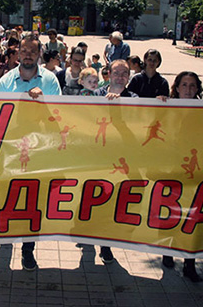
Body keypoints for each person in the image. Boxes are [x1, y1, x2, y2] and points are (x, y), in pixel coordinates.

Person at [0, 34, 61, 270]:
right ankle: (5, 235)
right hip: (11, 151)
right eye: (24, 51)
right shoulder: (5, 81)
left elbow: (59, 115)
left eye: (33, 51)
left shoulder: (51, 81)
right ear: (18, 52)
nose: (28, 55)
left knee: (34, 202)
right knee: (7, 196)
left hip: (39, 152)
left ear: (39, 54)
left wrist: (42, 101)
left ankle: (28, 249)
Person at [157, 71, 203, 282]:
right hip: (171, 170)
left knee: (192, 216)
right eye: (184, 85)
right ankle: (168, 251)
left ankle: (189, 263)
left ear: (197, 89)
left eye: (192, 85)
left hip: (195, 171)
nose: (188, 89)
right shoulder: (166, 107)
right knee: (170, 212)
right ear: (176, 88)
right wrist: (157, 105)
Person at [91, 59, 137, 263]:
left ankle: (106, 243)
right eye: (116, 72)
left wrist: (161, 102)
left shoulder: (135, 98)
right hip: (98, 158)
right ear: (108, 73)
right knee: (95, 199)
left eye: (124, 73)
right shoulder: (97, 95)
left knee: (113, 202)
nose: (120, 76)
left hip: (122, 160)